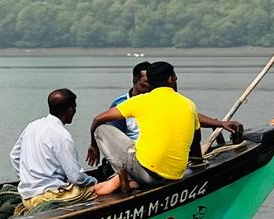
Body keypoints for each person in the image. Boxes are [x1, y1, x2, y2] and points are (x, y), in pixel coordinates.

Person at [88, 61, 243, 189]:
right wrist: (197, 163)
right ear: (170, 79)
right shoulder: (188, 104)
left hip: (146, 174)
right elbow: (195, 141)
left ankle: (124, 178)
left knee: (101, 129)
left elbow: (97, 120)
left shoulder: (140, 101)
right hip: (175, 175)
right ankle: (120, 177)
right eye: (175, 78)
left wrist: (93, 144)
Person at [10, 89, 120, 215]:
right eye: (74, 108)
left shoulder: (32, 126)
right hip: (48, 197)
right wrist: (94, 181)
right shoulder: (62, 135)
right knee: (100, 188)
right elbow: (76, 177)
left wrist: (26, 178)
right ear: (70, 109)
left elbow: (14, 156)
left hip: (27, 197)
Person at [106, 62, 150, 140]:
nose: (151, 85)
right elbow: (115, 138)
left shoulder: (158, 102)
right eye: (147, 82)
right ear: (135, 81)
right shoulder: (119, 104)